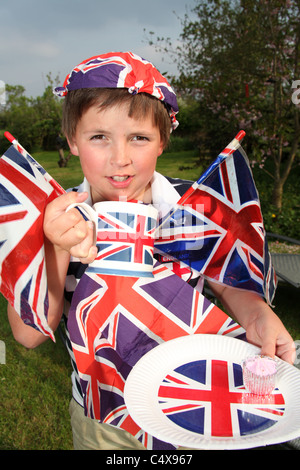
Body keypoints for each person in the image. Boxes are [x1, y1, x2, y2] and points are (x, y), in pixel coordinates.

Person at [7, 51, 295, 450]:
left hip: (192, 398)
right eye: (98, 137)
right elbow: (26, 335)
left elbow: (226, 280)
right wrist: (55, 249)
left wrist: (258, 313)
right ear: (73, 140)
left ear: (163, 140)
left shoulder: (190, 207)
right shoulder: (54, 218)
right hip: (105, 416)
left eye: (138, 137)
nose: (120, 158)